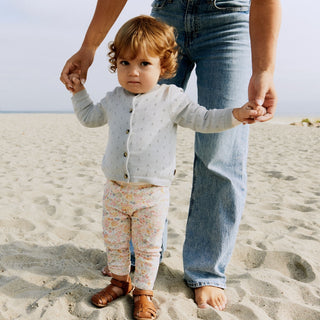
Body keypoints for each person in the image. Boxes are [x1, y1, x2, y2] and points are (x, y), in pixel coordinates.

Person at [61, 0, 281, 311]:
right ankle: (130, 267)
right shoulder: (115, 97)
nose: (132, 72)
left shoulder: (172, 97)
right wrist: (88, 49)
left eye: (139, 67)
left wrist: (263, 72)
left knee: (220, 154)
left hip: (228, 19)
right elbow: (91, 116)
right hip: (166, 14)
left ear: (161, 66)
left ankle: (205, 269)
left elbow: (205, 119)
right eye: (124, 64)